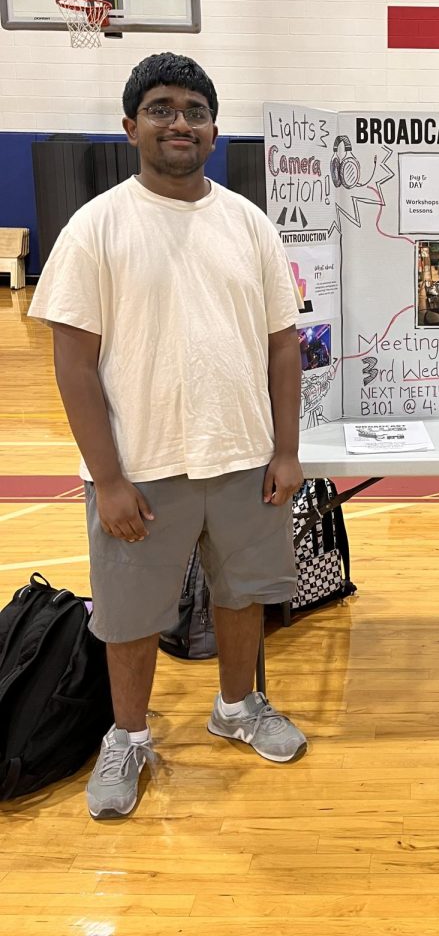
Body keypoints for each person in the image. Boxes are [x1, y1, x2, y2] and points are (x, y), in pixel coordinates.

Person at [29, 53, 307, 819]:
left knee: (242, 595)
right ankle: (128, 735)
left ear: (214, 130)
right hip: (142, 465)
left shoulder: (248, 222)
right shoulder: (97, 227)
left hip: (245, 455)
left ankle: (237, 707)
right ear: (130, 127)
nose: (178, 121)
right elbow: (74, 362)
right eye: (160, 108)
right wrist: (109, 478)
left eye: (193, 109)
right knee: (129, 616)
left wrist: (286, 450)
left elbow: (284, 344)